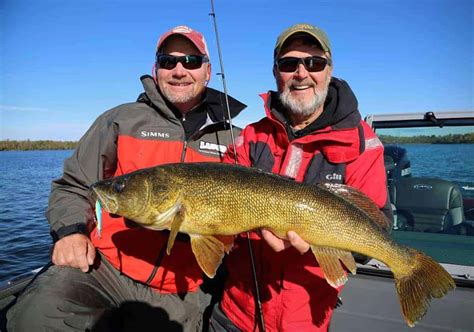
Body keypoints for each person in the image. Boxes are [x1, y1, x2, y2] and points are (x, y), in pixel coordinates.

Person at [6, 25, 245, 331]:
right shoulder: (120, 120)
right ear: (155, 69)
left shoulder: (237, 139)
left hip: (185, 288)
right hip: (105, 269)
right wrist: (71, 232)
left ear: (207, 71)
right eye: (168, 61)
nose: (179, 70)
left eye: (191, 61)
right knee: (36, 315)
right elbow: (75, 185)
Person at [209, 23, 393, 331]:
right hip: (234, 316)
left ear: (329, 71)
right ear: (276, 72)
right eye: (289, 63)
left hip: (306, 321)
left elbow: (376, 230)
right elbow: (222, 209)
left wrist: (326, 240)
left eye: (314, 63)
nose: (301, 73)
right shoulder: (250, 137)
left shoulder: (363, 144)